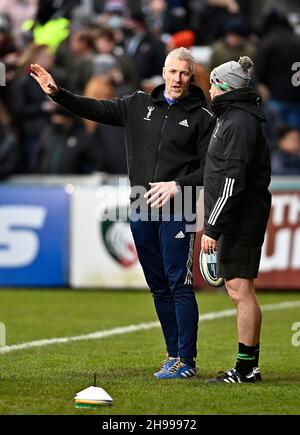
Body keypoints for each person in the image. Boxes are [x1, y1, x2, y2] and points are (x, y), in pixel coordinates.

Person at [30, 47, 215, 379]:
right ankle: (172, 354)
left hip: (181, 203)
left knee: (180, 283)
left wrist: (178, 184)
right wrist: (58, 94)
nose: (177, 79)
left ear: (191, 76)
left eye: (184, 73)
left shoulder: (203, 116)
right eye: (173, 72)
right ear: (163, 71)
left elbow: (211, 169)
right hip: (140, 201)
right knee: (158, 285)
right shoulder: (137, 104)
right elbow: (95, 108)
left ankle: (186, 360)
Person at [201, 56, 272, 383]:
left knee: (240, 289)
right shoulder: (234, 117)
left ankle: (246, 368)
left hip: (241, 217)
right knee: (239, 288)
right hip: (241, 214)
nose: (210, 89)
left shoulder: (238, 122)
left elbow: (232, 179)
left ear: (225, 87)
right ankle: (249, 367)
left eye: (214, 83)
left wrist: (213, 226)